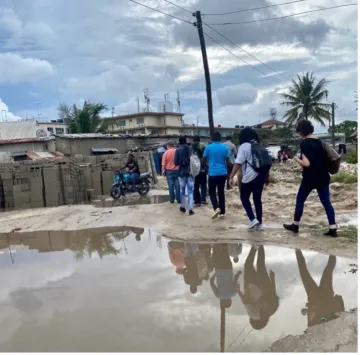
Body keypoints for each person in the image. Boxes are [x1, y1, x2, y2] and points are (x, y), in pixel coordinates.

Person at [283, 120, 337, 237]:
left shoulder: (304, 144)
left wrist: (297, 159)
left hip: (310, 178)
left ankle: (295, 225)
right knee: (326, 202)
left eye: (299, 132)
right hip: (323, 176)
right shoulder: (320, 142)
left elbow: (307, 164)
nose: (299, 134)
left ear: (302, 131)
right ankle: (332, 228)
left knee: (300, 200)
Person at [229, 127, 267, 230]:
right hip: (261, 175)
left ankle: (252, 219)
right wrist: (267, 177)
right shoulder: (259, 145)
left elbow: (238, 163)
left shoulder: (244, 146)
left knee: (244, 197)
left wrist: (231, 176)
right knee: (257, 199)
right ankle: (260, 224)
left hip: (250, 176)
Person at [234, 246, 279, 330]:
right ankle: (254, 247)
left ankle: (260, 245)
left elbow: (273, 295)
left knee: (260, 264)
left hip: (266, 285)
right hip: (253, 286)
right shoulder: (254, 316)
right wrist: (238, 290)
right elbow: (246, 301)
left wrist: (272, 280)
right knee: (248, 264)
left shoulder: (271, 311)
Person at [296, 249, 344, 327]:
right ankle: (334, 250)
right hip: (326, 295)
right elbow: (325, 317)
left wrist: (309, 310)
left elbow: (316, 316)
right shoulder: (327, 325)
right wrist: (312, 311)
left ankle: (297, 250)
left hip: (313, 296)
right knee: (328, 271)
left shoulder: (311, 326)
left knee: (303, 272)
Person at [203, 131, 231, 219]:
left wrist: (207, 168)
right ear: (220, 138)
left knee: (211, 192)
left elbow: (203, 160)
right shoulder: (225, 147)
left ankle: (216, 208)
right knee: (221, 192)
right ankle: (222, 212)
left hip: (212, 173)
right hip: (223, 172)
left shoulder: (208, 147)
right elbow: (228, 162)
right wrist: (234, 167)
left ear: (212, 138)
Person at [210, 244, 236, 309]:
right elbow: (211, 282)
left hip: (228, 270)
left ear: (230, 301)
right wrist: (216, 274)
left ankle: (224, 240)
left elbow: (235, 282)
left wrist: (238, 274)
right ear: (223, 302)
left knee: (225, 253)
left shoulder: (233, 293)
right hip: (219, 269)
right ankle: (218, 241)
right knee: (219, 254)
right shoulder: (218, 295)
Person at [174, 136, 195, 216]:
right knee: (190, 191)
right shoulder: (190, 149)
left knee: (182, 191)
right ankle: (190, 209)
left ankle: (182, 207)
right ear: (186, 141)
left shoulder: (178, 150)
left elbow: (175, 162)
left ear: (179, 142)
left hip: (181, 173)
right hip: (190, 173)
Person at [192, 135, 208, 207]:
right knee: (203, 184)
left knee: (196, 185)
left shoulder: (191, 147)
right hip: (202, 169)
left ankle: (196, 200)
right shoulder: (203, 146)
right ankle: (203, 199)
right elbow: (205, 158)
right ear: (199, 140)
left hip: (194, 170)